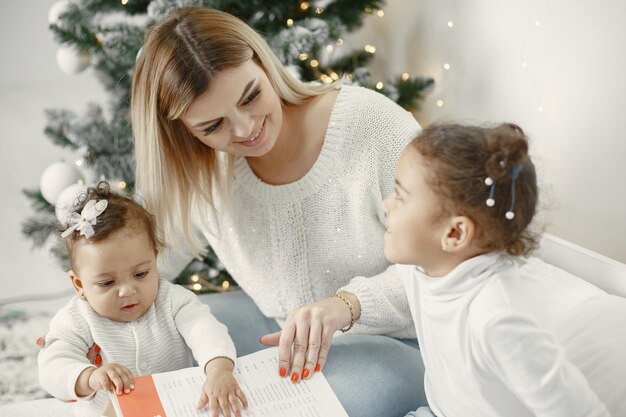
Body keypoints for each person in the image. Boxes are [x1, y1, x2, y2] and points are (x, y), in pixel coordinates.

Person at [131, 6, 426, 416]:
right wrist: (88, 320)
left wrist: (346, 304)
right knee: (147, 350)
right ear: (183, 131)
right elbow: (147, 263)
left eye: (251, 96)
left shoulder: (371, 125)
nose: (244, 128)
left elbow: (448, 263)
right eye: (212, 126)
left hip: (399, 341)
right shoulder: (201, 167)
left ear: (263, 63)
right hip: (279, 332)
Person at [382, 123, 626, 417]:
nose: (386, 205)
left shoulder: (498, 318)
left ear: (455, 234)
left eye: (400, 196)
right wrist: (342, 307)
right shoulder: (425, 266)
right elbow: (395, 286)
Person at [38, 183, 248, 417]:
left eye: (141, 274)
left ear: (154, 261)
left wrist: (219, 369)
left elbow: (204, 330)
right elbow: (52, 366)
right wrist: (89, 377)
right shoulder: (76, 319)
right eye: (107, 283)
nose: (127, 291)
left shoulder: (172, 300)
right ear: (79, 285)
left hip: (176, 408)